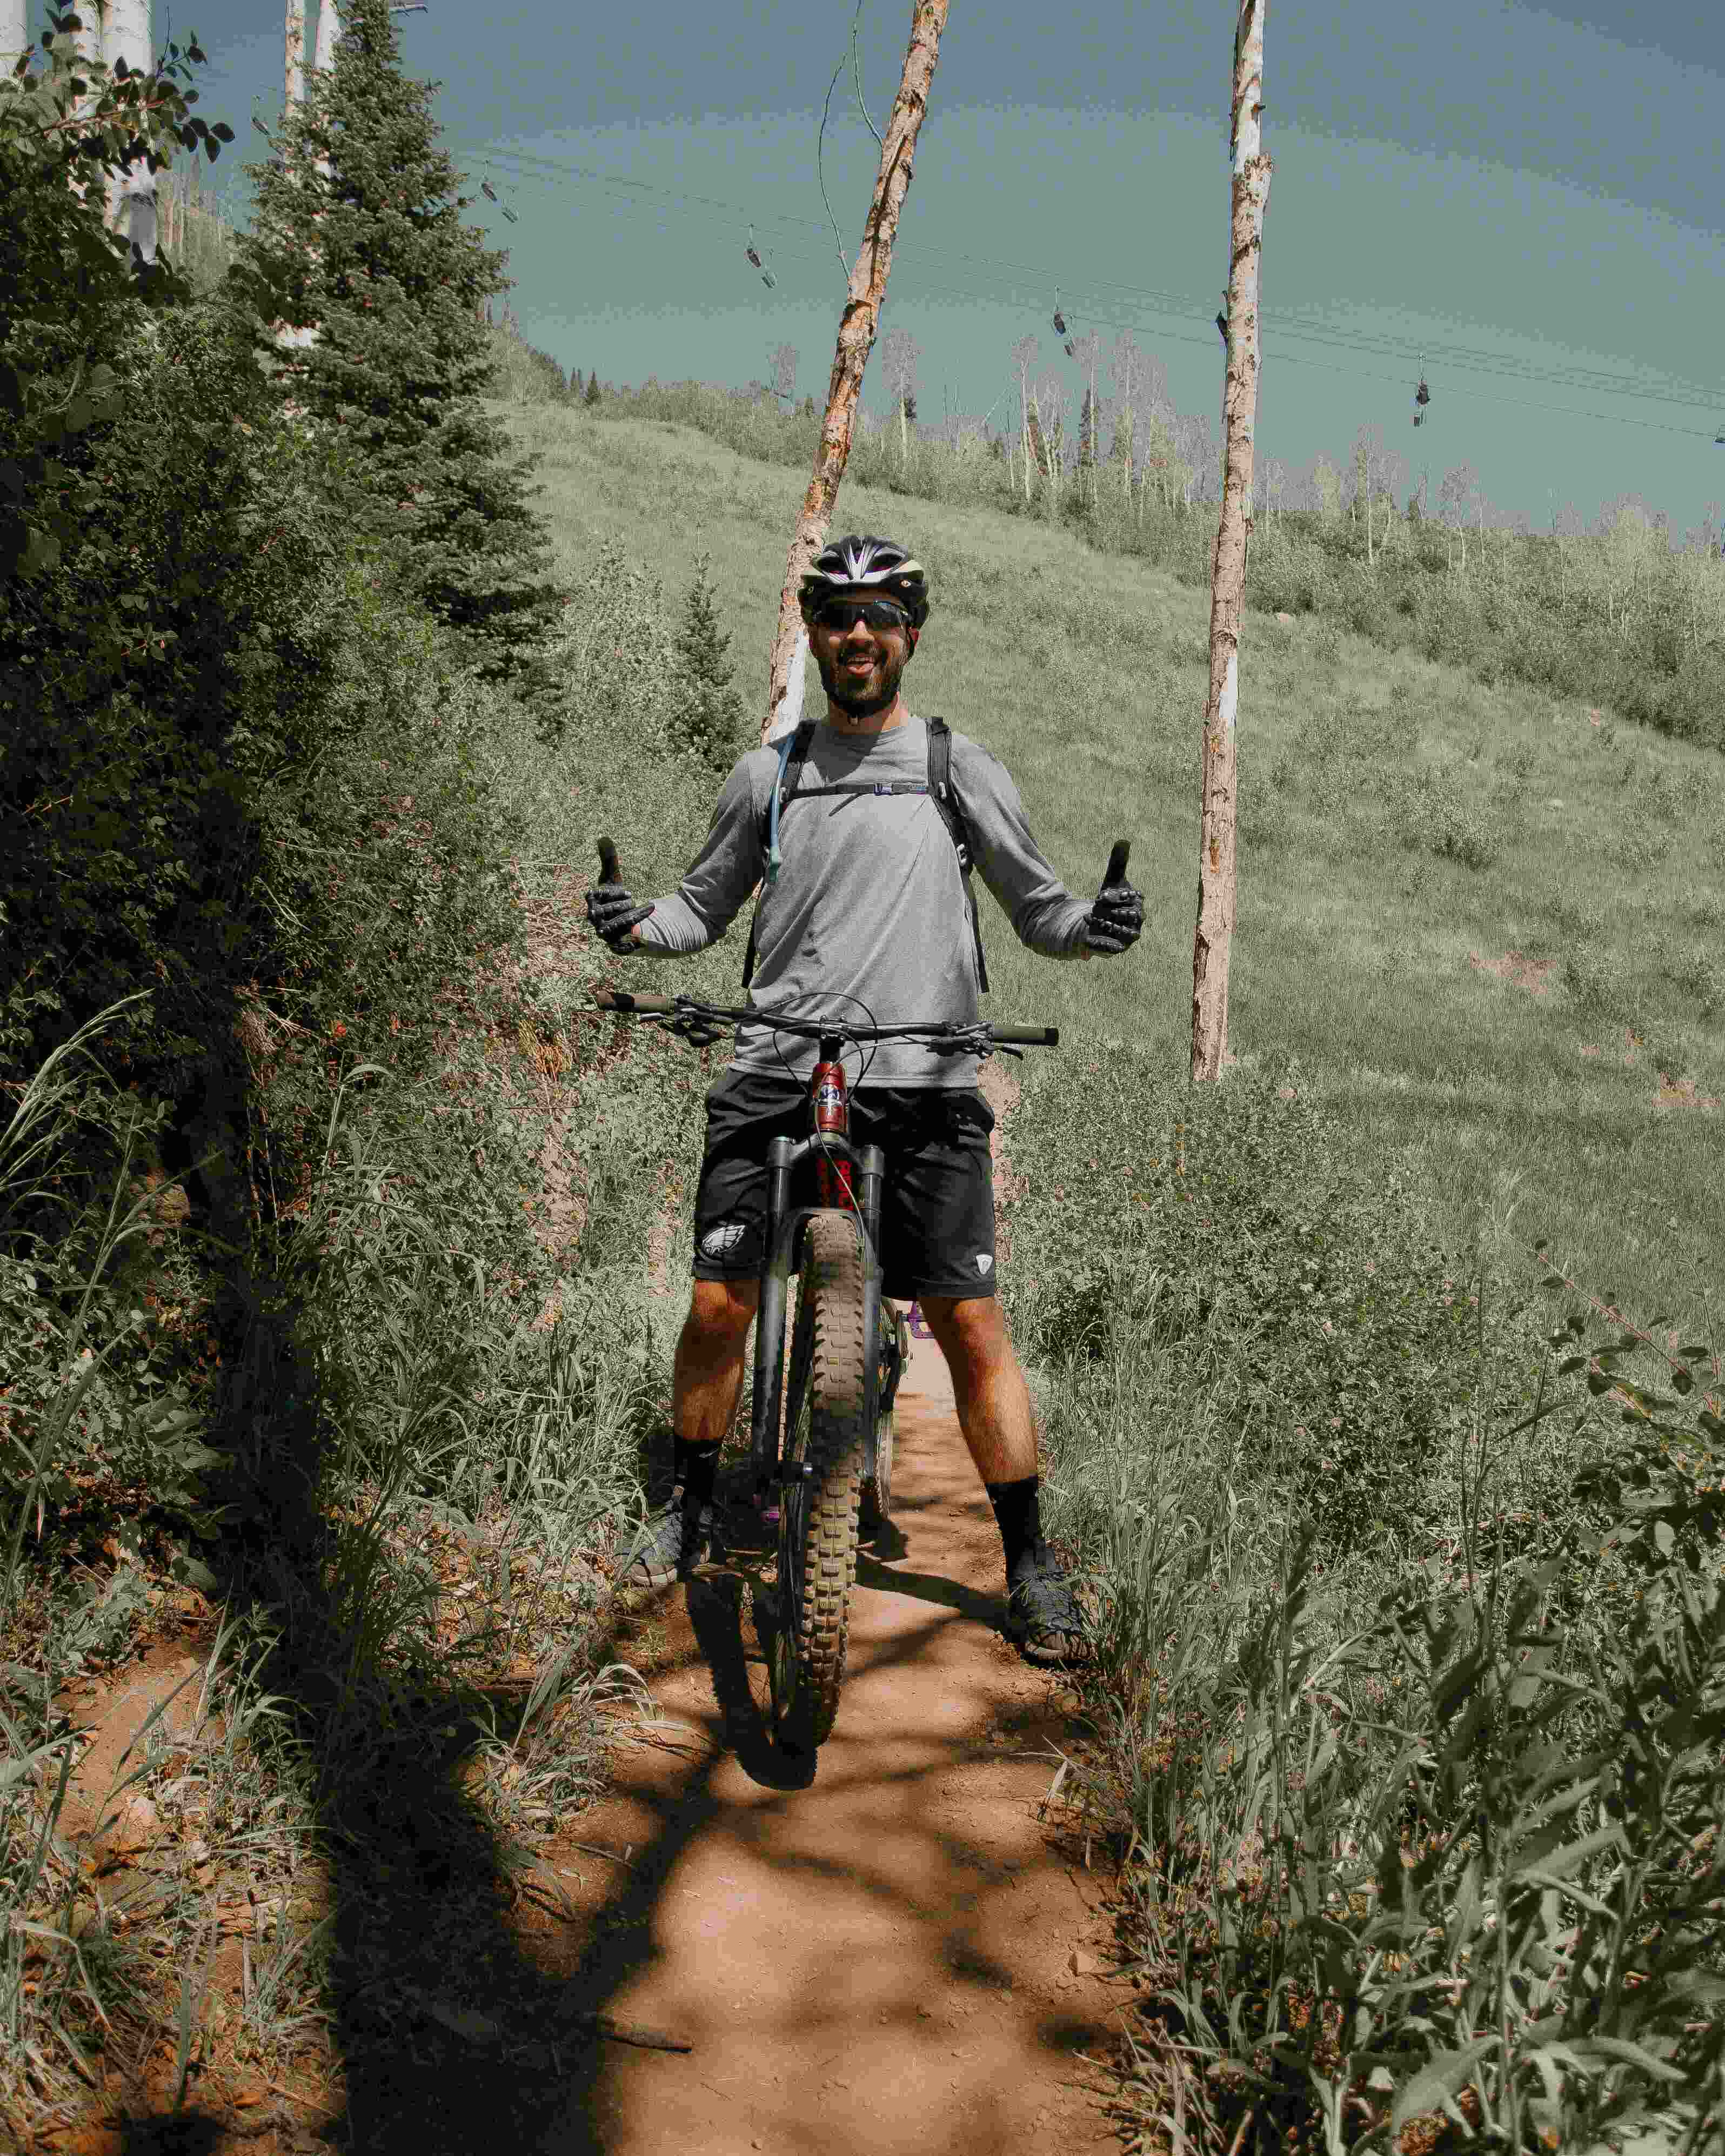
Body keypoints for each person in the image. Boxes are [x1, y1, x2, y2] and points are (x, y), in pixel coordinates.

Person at [584, 534, 1144, 1663]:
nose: (857, 636)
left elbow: (1039, 907)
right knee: (717, 1307)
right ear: (815, 635)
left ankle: (1031, 1564)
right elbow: (702, 907)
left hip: (927, 1074)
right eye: (836, 617)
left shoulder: (952, 765)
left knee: (971, 1325)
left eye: (878, 617)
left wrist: (1094, 928)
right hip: (775, 1065)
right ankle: (692, 1506)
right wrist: (637, 926)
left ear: (909, 637)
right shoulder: (770, 775)